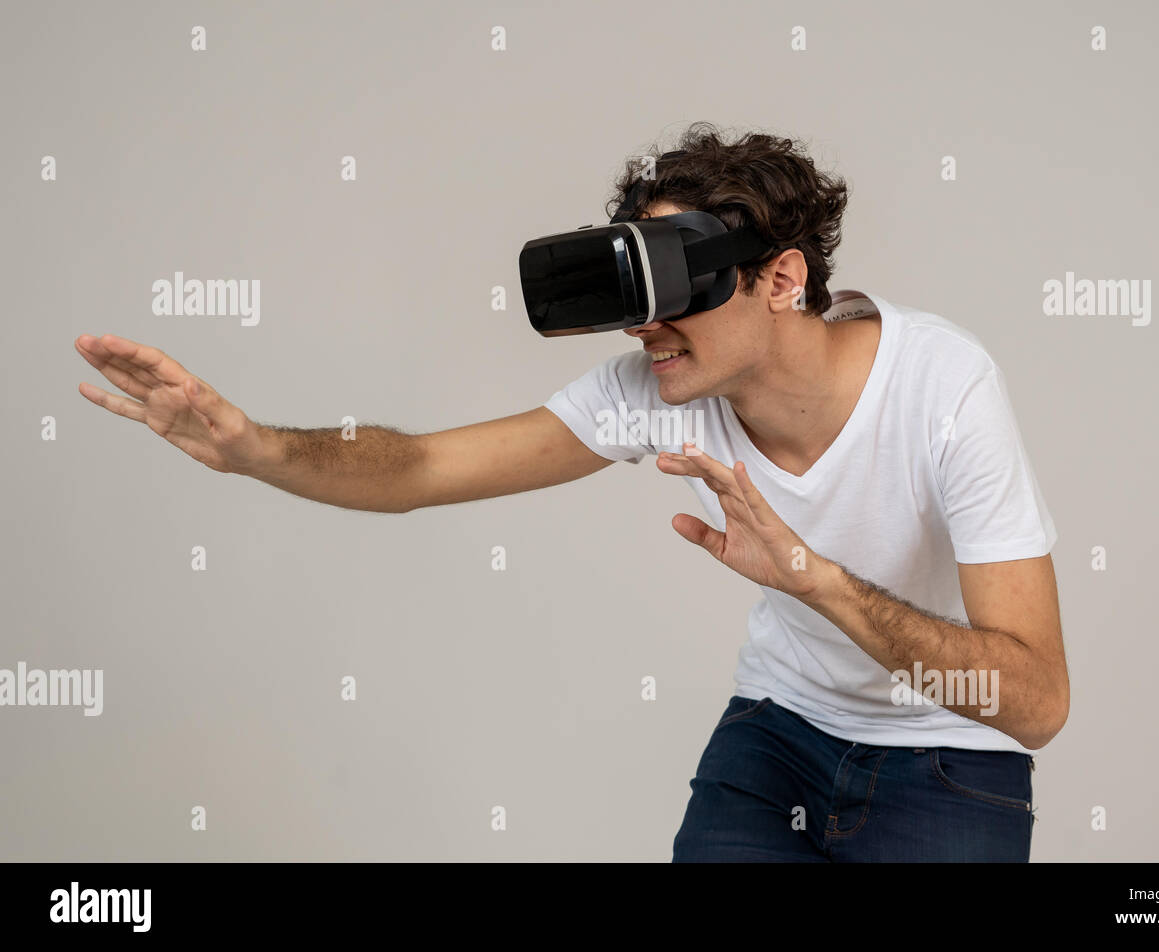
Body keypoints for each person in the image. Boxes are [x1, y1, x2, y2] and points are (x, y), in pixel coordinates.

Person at [75, 123, 1068, 862]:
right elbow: (420, 466)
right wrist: (253, 446)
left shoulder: (942, 386)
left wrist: (813, 579)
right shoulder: (661, 386)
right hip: (777, 738)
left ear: (779, 279)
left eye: (673, 291)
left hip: (947, 756)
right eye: (633, 298)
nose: (645, 329)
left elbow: (1032, 700)